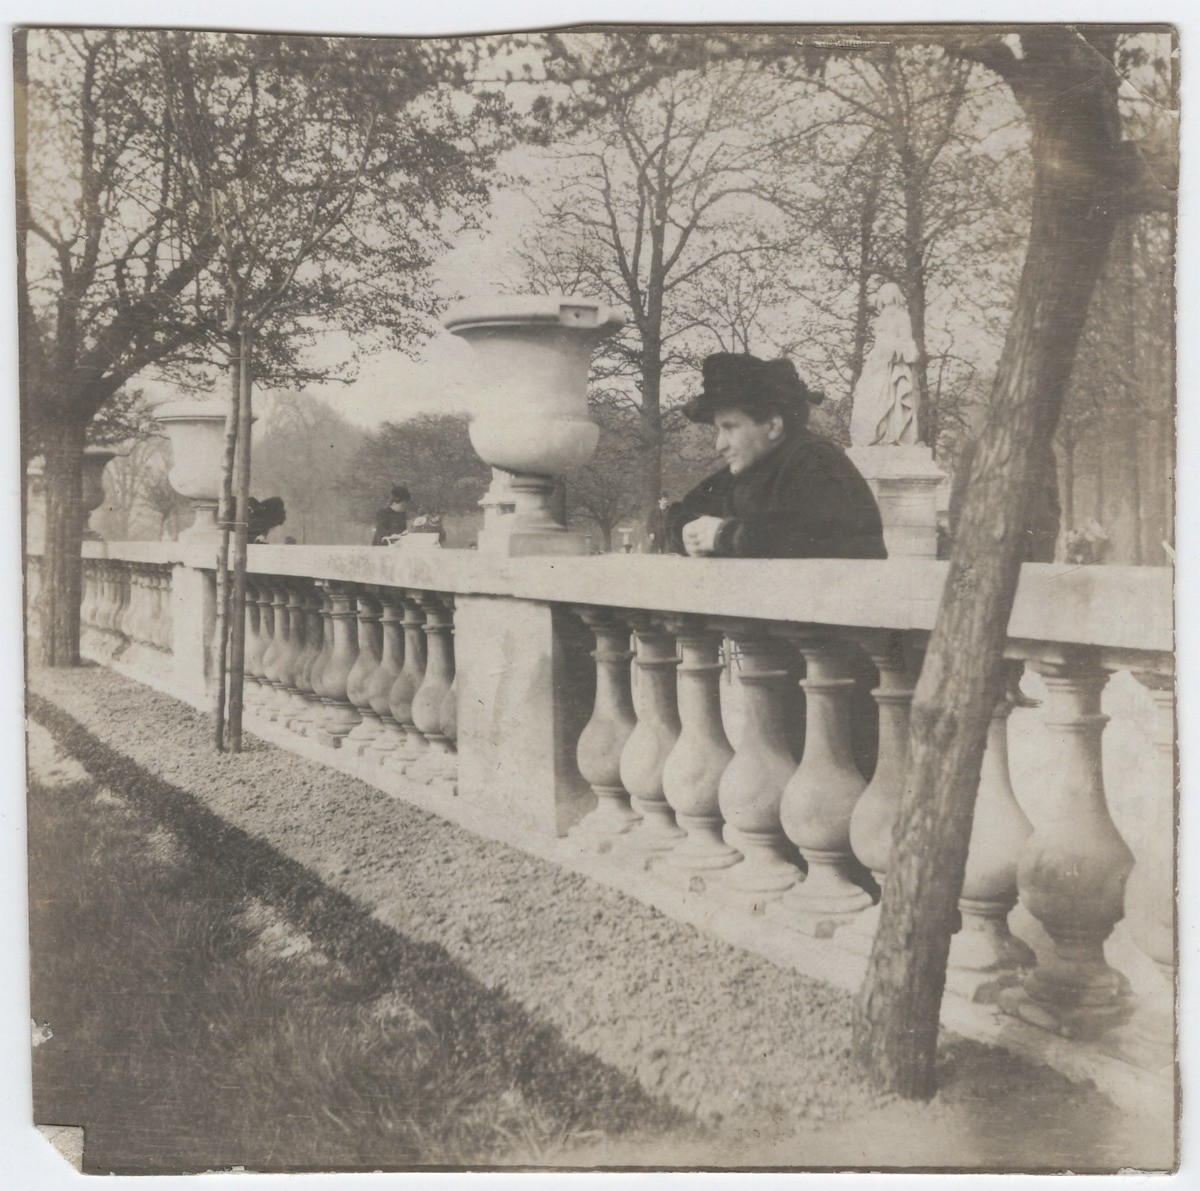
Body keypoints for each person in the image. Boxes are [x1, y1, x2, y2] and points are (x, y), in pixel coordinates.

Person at [668, 353, 887, 560]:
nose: (720, 444)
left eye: (730, 428)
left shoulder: (818, 463)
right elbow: (673, 514)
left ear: (773, 425)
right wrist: (687, 531)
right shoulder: (745, 470)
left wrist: (724, 535)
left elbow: (815, 537)